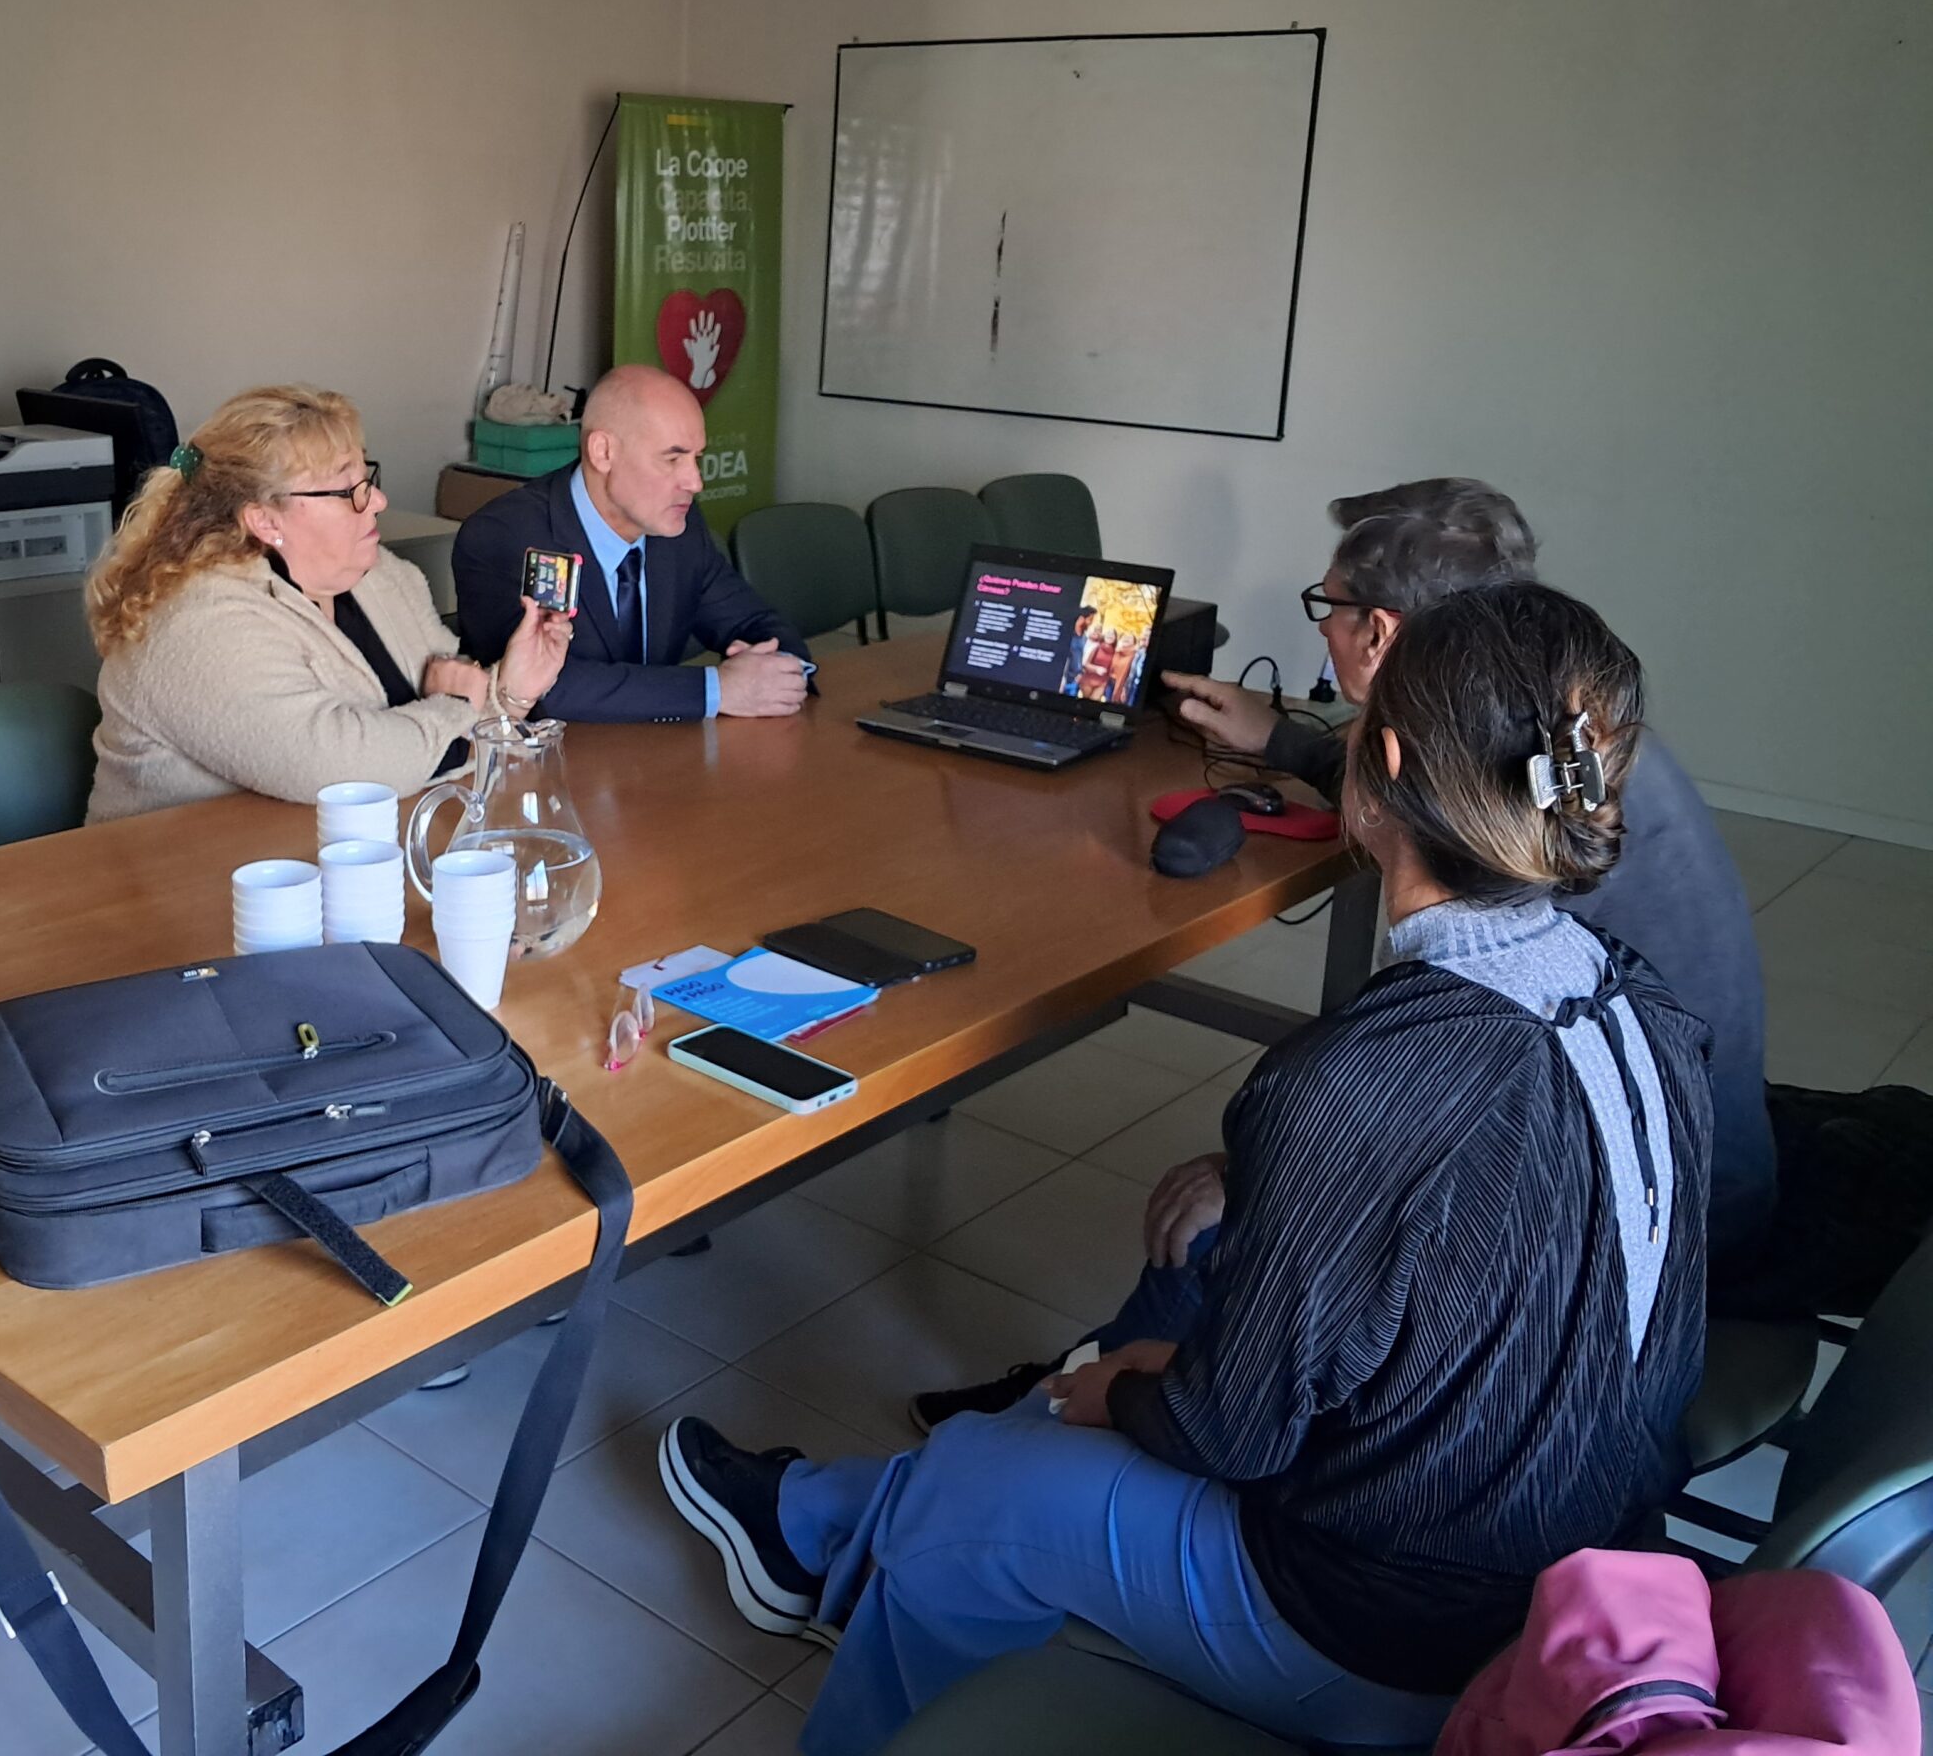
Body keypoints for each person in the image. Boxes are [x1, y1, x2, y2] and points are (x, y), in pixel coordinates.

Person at [663, 582, 1712, 1756]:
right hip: (1586, 1577)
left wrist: (1125, 1388)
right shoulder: (1640, 1005)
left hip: (1389, 1638)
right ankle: (841, 1540)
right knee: (1077, 1389)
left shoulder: (1353, 1084)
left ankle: (863, 1572)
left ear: (1381, 761)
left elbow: (1230, 1436)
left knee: (976, 1473)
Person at [914, 478, 1770, 1431]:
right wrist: (1281, 740)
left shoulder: (1404, 1033)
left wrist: (1258, 1176)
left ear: (1381, 635)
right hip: (1670, 1178)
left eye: (1327, 606)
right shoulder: (1563, 755)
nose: (1321, 626)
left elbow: (1437, 1099)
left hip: (1616, 1243)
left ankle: (1078, 1404)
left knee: (1220, 1229)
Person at [85, 385, 573, 821]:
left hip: (336, 857)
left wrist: (510, 691)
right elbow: (344, 772)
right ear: (265, 520)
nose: (377, 501)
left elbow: (450, 737)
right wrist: (455, 704)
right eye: (348, 490)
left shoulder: (383, 577)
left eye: (368, 477)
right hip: (178, 878)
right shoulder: (193, 621)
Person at [451, 364, 810, 723]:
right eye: (673, 459)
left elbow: (755, 621)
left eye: (696, 458)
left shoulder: (678, 526)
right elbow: (542, 688)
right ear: (603, 452)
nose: (695, 482)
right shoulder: (503, 535)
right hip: (552, 754)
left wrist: (778, 672)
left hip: (655, 750)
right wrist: (718, 689)